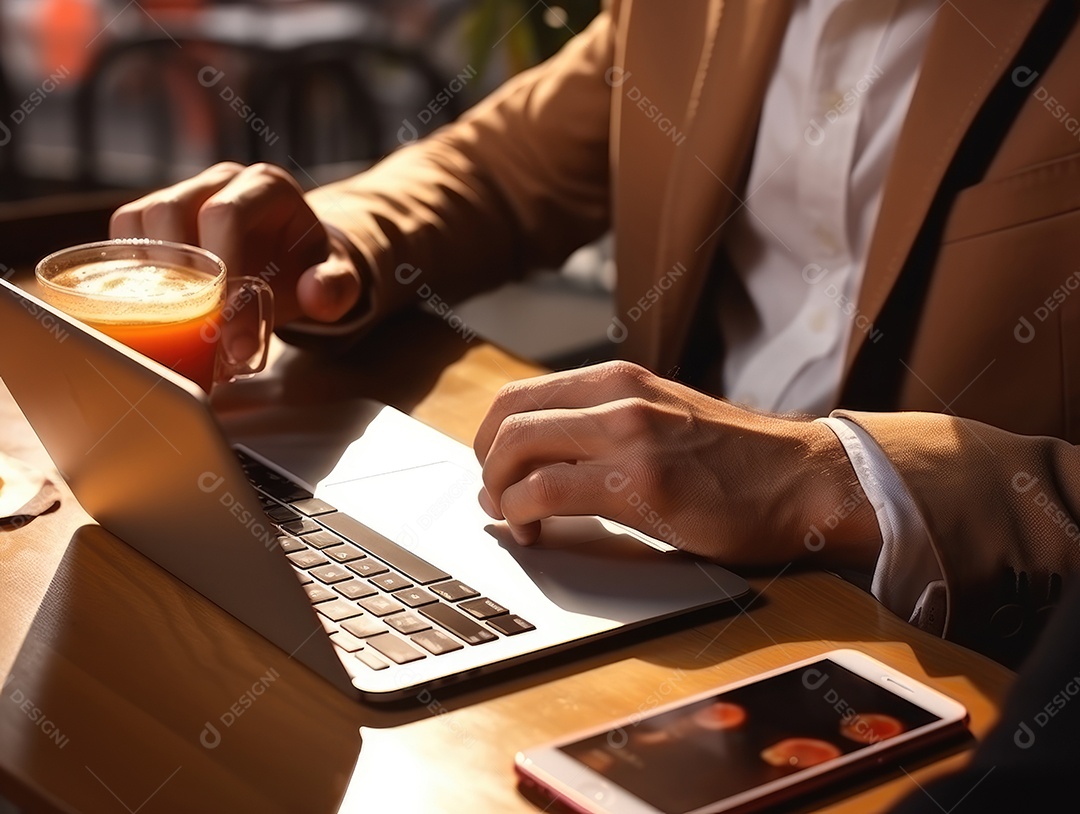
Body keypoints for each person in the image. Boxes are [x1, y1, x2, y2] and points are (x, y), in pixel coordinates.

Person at [110, 0, 1080, 667]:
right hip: (639, 586)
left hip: (963, 661)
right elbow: (509, 164)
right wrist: (334, 247)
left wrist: (834, 477)